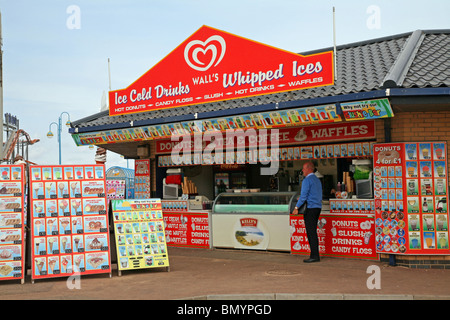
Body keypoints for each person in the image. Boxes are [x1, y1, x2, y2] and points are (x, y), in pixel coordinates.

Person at [291, 161, 322, 263]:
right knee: (313, 232)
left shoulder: (306, 180)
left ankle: (314, 256)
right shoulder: (317, 180)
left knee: (311, 232)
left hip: (310, 208)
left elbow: (304, 196)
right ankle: (315, 254)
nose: (302, 171)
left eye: (303, 169)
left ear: (309, 169)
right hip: (317, 208)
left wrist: (296, 207)